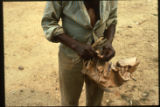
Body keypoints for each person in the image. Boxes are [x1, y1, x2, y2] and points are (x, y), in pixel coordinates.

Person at [41, 0, 117, 106]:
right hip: (71, 56)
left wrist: (109, 42)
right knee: (69, 102)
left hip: (99, 57)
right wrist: (76, 46)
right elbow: (48, 23)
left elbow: (112, 19)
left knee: (96, 101)